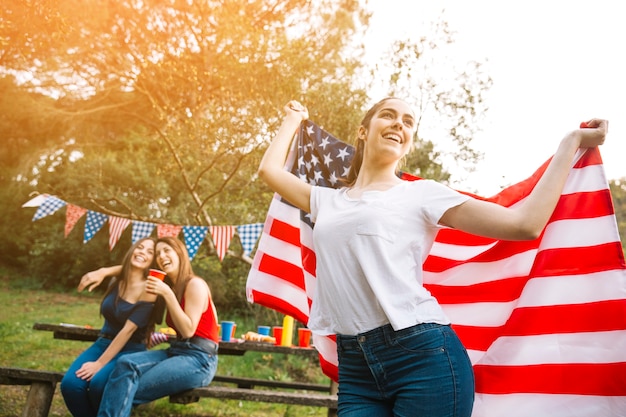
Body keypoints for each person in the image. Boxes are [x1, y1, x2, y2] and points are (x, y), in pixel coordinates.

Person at [257, 98, 609, 417]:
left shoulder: (421, 194)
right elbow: (269, 172)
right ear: (364, 131)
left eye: (408, 121)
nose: (399, 124)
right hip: (356, 366)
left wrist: (570, 142)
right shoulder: (327, 201)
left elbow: (525, 224)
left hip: (422, 358)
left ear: (408, 142)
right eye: (389, 115)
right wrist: (293, 118)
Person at [83, 236, 219, 417]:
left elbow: (188, 330)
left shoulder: (194, 284)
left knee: (125, 388)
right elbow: (134, 270)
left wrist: (167, 294)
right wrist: (104, 272)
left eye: (167, 251)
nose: (161, 256)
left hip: (199, 360)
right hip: (177, 352)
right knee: (126, 363)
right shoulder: (171, 285)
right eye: (158, 253)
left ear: (180, 254)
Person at [60, 237, 158, 417]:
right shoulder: (116, 280)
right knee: (70, 386)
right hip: (102, 343)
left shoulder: (149, 288)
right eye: (140, 247)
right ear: (132, 250)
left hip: (130, 349)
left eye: (150, 252)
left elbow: (127, 331)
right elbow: (124, 271)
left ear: (153, 261)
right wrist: (103, 271)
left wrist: (99, 363)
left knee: (99, 385)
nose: (142, 252)